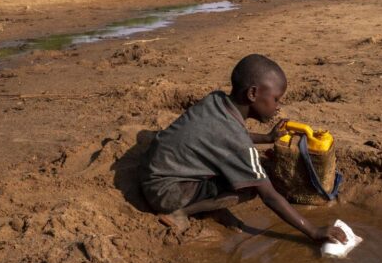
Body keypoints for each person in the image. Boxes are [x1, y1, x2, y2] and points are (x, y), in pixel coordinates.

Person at [139, 54, 347, 244]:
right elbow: (269, 196)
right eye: (275, 99)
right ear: (253, 93)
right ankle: (181, 211)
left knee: (240, 169)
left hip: (154, 171)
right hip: (165, 193)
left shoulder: (216, 100)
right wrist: (313, 230)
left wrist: (266, 138)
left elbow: (223, 137)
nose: (277, 107)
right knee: (250, 186)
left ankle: (208, 206)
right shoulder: (236, 139)